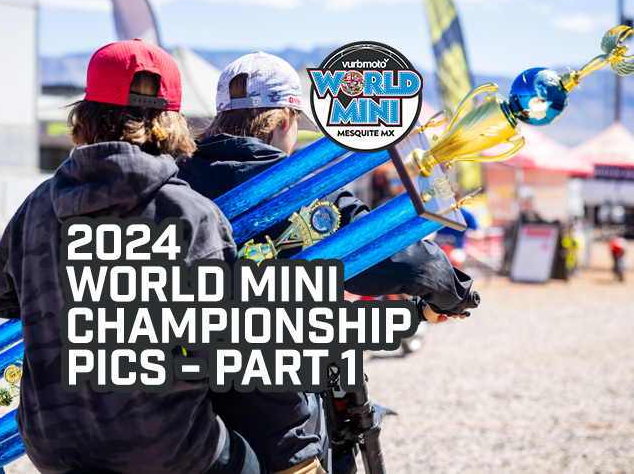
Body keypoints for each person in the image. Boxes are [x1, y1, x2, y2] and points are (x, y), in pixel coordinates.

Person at [0, 40, 270, 474]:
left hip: (53, 447)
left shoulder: (38, 205)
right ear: (172, 121)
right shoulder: (190, 214)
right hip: (166, 449)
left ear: (85, 115)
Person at [177, 51, 474, 473]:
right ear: (285, 119)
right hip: (277, 427)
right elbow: (391, 256)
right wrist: (454, 291)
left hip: (181, 420)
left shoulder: (173, 180)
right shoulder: (301, 190)